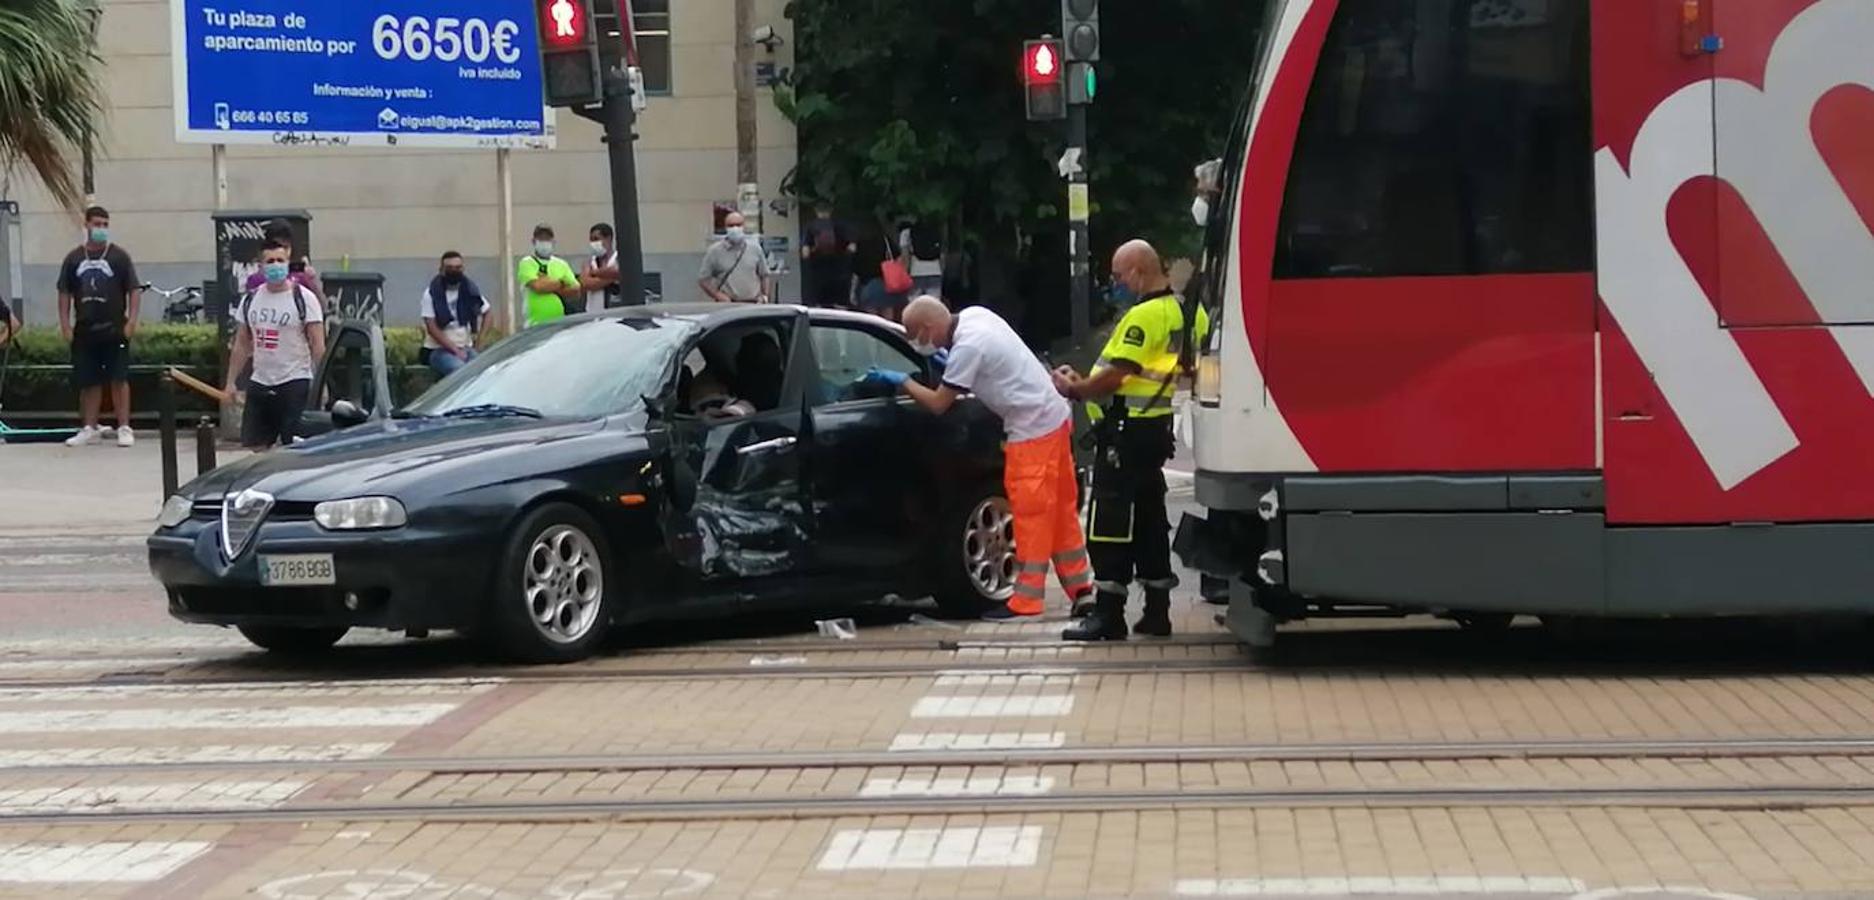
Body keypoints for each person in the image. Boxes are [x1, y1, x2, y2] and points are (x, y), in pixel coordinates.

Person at [866, 296, 1096, 621]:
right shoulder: (976, 317)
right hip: (1054, 418)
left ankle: (1026, 600)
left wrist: (902, 381)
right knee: (1059, 511)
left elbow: (938, 403)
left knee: (1031, 515)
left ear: (930, 328)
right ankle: (1082, 591)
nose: (916, 342)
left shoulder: (967, 348)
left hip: (1031, 431)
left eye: (914, 334)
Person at [1050, 240, 1211, 641]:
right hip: (1155, 430)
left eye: (1120, 275)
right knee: (1151, 522)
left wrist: (1076, 389)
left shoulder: (1145, 316)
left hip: (1125, 434)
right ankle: (1157, 612)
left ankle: (1108, 615)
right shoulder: (1191, 314)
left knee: (1110, 522)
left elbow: (1117, 374)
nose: (1117, 283)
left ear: (1139, 271)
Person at [224, 241, 326, 450]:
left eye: (280, 260)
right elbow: (242, 343)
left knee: (293, 448)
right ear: (261, 266)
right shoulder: (251, 299)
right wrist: (231, 382)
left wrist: (323, 384)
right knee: (257, 448)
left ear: (288, 264)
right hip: (261, 382)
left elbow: (318, 345)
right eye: (270, 261)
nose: (276, 265)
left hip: (295, 381)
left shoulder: (304, 299)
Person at [58, 206, 140, 448]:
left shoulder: (119, 257)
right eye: (97, 224)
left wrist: (132, 321)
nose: (101, 229)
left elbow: (134, 290)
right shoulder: (73, 258)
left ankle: (124, 427)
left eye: (105, 224)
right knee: (88, 380)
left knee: (119, 378)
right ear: (87, 225)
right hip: (84, 329)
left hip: (115, 327)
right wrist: (65, 324)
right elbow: (64, 292)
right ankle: (89, 427)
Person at [419, 252, 489, 378]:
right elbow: (432, 327)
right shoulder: (431, 293)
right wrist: (455, 350)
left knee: (485, 372)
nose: (454, 271)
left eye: (458, 268)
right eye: (449, 268)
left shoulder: (469, 290)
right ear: (441, 270)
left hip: (466, 347)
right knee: (460, 372)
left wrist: (480, 342)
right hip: (438, 350)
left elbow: (487, 313)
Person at [242, 220, 323, 303]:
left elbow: (321, 306)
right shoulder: (256, 280)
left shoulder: (301, 276)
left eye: (286, 247)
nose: (283, 252)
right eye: (279, 247)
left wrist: (313, 281)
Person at [698, 213, 771, 304]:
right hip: (728, 305)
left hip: (753, 303)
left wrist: (764, 296)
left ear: (743, 226)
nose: (735, 228)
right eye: (731, 225)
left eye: (738, 225)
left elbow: (764, 275)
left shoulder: (755, 249)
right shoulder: (715, 251)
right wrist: (718, 295)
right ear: (726, 227)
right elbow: (703, 280)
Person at [519, 224, 581, 327]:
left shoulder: (561, 264)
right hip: (535, 323)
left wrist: (551, 283)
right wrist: (562, 283)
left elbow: (576, 289)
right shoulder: (527, 263)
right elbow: (538, 287)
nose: (544, 242)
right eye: (541, 239)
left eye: (547, 239)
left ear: (553, 242)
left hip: (560, 322)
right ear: (534, 241)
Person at [800, 203, 855, 308]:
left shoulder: (810, 227)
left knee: (819, 310)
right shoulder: (840, 226)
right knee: (839, 309)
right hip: (839, 276)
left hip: (816, 277)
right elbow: (852, 248)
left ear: (816, 211)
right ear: (831, 211)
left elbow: (805, 254)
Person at [581, 223, 629, 309]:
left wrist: (593, 273)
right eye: (591, 240)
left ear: (608, 239)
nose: (593, 243)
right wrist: (612, 278)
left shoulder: (619, 258)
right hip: (593, 313)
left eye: (596, 239)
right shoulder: (589, 261)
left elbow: (619, 272)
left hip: (614, 313)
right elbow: (586, 283)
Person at [899, 219, 944, 297]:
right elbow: (941, 255)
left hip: (916, 272)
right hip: (935, 271)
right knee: (933, 304)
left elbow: (905, 257)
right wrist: (941, 271)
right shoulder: (935, 231)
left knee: (915, 305)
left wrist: (904, 274)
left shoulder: (906, 233)